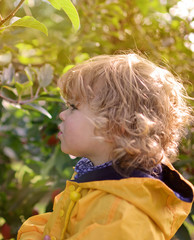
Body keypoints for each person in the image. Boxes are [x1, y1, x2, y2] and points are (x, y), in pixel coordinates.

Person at [17, 53, 194, 240]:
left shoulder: (122, 215)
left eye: (73, 107)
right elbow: (60, 224)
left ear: (115, 126)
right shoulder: (102, 183)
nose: (62, 115)